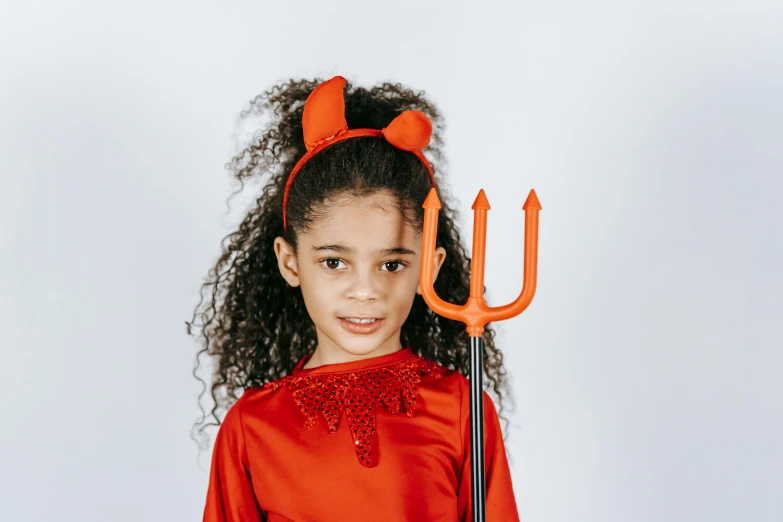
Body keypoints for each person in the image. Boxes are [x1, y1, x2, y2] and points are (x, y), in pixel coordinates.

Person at [191, 74, 520, 521]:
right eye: (334, 262)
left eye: (391, 264)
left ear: (430, 269)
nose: (366, 291)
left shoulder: (463, 409)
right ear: (291, 263)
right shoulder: (252, 427)